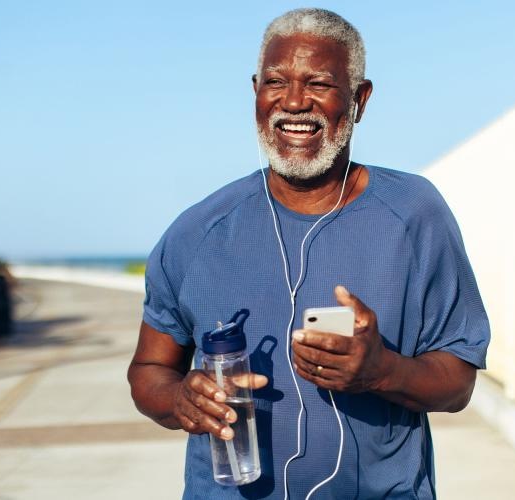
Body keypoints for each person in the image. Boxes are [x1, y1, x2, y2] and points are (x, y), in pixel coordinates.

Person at [128, 8, 490, 499]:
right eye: (276, 82)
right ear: (255, 91)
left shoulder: (414, 215)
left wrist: (382, 370)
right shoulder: (198, 231)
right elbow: (149, 371)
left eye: (318, 84)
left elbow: (458, 385)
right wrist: (179, 399)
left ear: (360, 99)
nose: (294, 102)